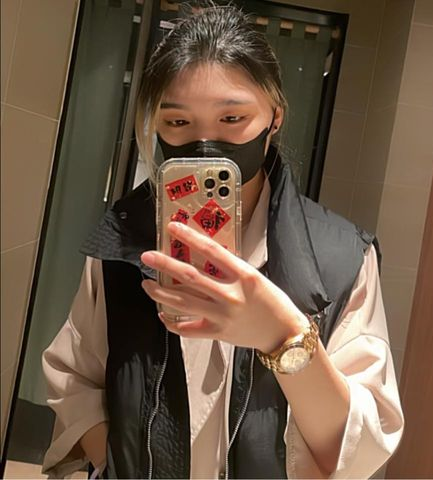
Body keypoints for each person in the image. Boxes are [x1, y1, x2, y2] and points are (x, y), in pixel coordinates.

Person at [41, 3, 404, 479]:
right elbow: (74, 375)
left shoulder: (342, 258)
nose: (205, 142)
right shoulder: (125, 240)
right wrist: (114, 462)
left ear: (274, 118)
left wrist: (283, 337)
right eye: (178, 123)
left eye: (232, 118)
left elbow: (361, 447)